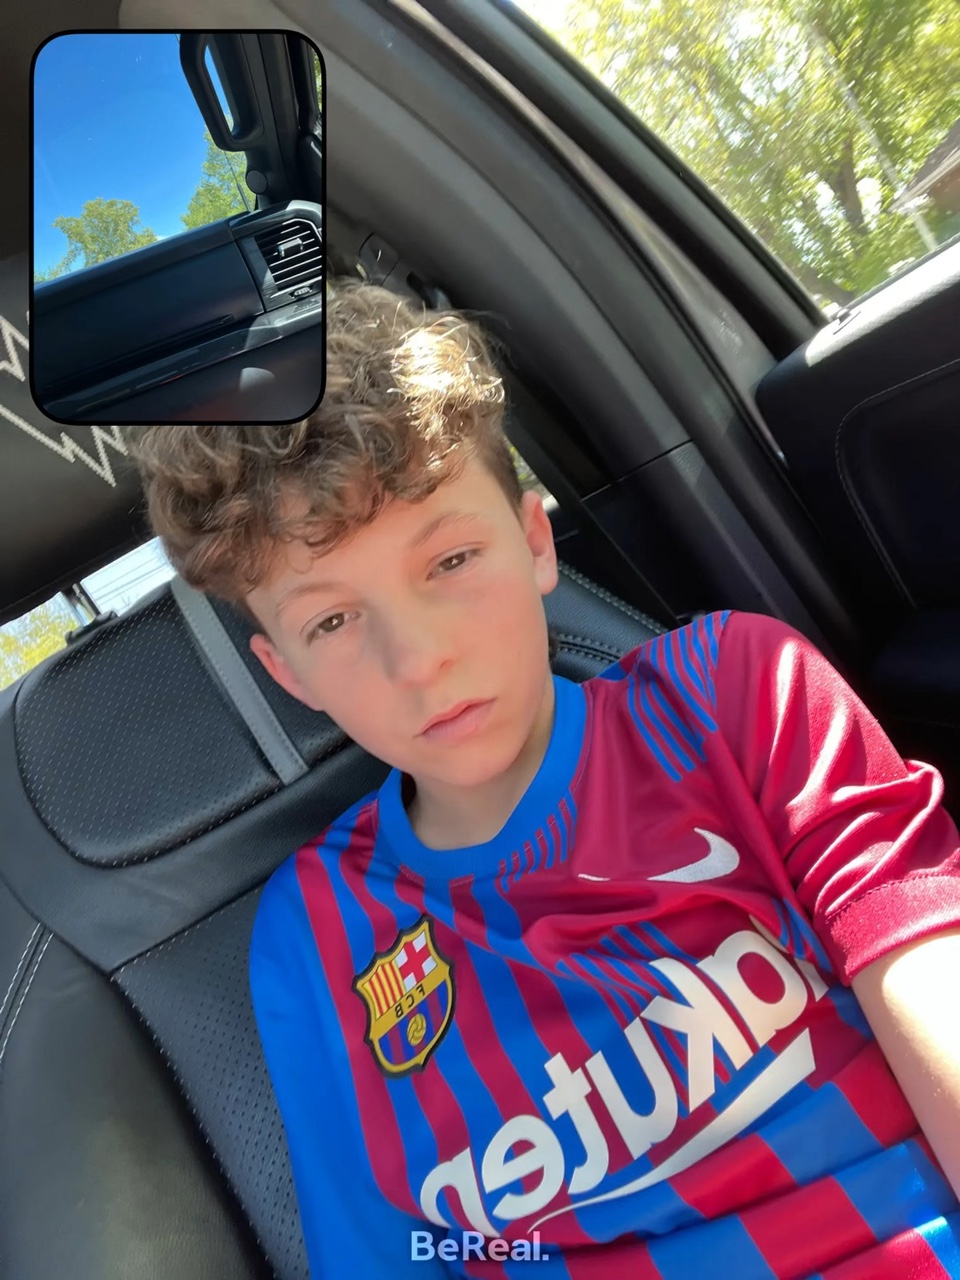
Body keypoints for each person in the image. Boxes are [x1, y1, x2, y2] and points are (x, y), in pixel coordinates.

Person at [126, 280, 960, 1279]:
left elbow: (931, 984)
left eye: (450, 560)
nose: (418, 659)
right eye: (333, 620)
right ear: (288, 673)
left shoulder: (733, 691)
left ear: (533, 542)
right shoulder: (311, 938)